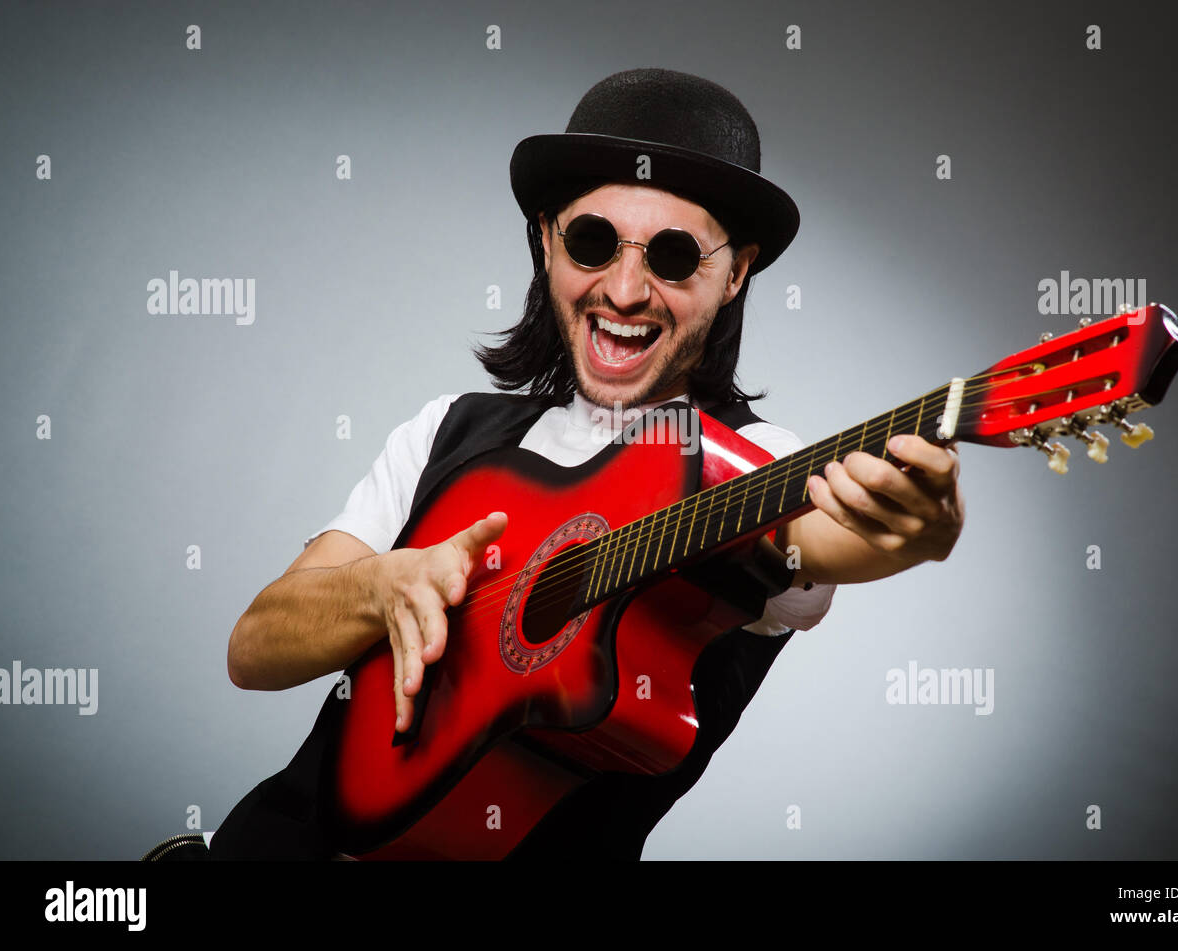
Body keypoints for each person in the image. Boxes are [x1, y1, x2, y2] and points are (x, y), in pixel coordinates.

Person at [208, 68, 965, 861]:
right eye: (593, 241)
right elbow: (253, 647)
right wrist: (378, 586)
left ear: (736, 272)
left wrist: (918, 532)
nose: (626, 289)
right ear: (546, 239)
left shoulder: (748, 464)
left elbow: (824, 534)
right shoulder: (445, 432)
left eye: (673, 256)